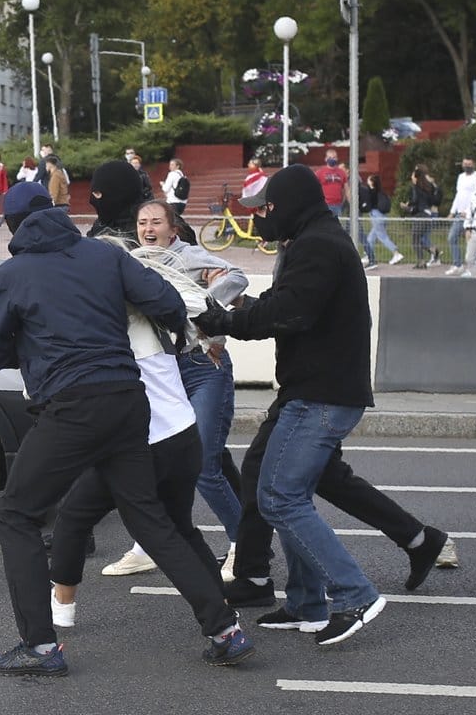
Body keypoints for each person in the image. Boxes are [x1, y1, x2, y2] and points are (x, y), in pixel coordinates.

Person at [0, 181, 252, 676]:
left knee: (15, 513)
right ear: (59, 213)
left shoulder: (12, 274)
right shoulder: (105, 256)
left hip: (73, 405)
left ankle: (40, 646)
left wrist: (36, 345)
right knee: (151, 519)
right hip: (129, 400)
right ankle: (225, 630)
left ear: (13, 225)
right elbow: (166, 301)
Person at [193, 164, 386, 647]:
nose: (265, 218)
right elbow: (286, 303)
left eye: (271, 208)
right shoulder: (311, 239)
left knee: (281, 497)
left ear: (293, 204)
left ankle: (355, 594)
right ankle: (307, 604)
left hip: (322, 393)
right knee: (266, 481)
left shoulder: (318, 245)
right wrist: (239, 307)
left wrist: (221, 320)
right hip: (308, 389)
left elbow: (290, 312)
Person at [47, 230, 251, 667]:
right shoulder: (151, 311)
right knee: (179, 528)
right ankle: (226, 617)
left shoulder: (103, 316)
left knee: (89, 521)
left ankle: (222, 627)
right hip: (182, 434)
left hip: (142, 443)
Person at [99, 200, 247, 581]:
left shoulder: (187, 257)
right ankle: (147, 545)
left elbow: (238, 275)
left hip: (203, 368)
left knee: (204, 465)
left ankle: (243, 545)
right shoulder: (135, 260)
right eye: (142, 221)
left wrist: (201, 305)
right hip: (164, 372)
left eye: (156, 221)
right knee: (153, 462)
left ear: (173, 228)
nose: (148, 227)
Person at [444, 158, 476, 275]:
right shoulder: (460, 177)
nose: (467, 166)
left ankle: (472, 267)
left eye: (469, 164)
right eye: (465, 164)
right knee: (452, 237)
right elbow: (458, 194)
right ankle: (458, 264)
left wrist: (468, 211)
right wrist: (452, 211)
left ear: (474, 164)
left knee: (470, 241)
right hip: (459, 214)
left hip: (471, 215)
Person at [362, 174, 403, 267]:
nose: (367, 181)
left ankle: (396, 253)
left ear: (372, 182)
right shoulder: (381, 192)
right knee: (370, 238)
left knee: (382, 237)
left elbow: (368, 205)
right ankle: (369, 255)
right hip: (383, 216)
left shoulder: (372, 192)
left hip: (376, 217)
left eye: (368, 180)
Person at [402, 166, 438, 269]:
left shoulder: (416, 188)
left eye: (413, 176)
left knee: (415, 240)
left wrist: (407, 207)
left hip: (420, 216)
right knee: (418, 239)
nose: (411, 177)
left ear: (416, 177)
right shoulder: (428, 187)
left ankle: (423, 260)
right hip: (428, 214)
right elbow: (432, 200)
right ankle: (430, 251)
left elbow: (416, 202)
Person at [314, 148, 347, 218]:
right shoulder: (319, 172)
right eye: (329, 157)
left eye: (334, 157)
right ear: (326, 159)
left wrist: (345, 201)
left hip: (338, 205)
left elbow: (346, 189)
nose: (332, 159)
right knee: (325, 226)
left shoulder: (342, 172)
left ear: (337, 158)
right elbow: (313, 188)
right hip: (325, 205)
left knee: (337, 226)